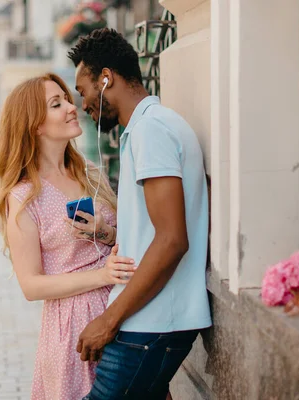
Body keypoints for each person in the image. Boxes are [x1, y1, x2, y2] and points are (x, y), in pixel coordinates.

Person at [68, 28, 212, 399]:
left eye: (83, 91)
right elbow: (157, 230)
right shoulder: (146, 129)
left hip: (149, 324)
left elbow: (172, 240)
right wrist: (112, 235)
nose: (83, 105)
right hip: (148, 320)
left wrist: (108, 321)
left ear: (106, 78)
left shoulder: (152, 130)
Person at [0, 72, 137, 400]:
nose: (72, 107)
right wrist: (101, 275)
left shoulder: (88, 172)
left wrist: (104, 231)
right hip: (72, 327)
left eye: (67, 99)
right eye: (56, 104)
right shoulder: (24, 196)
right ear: (36, 125)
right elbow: (31, 285)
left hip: (121, 308)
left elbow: (121, 237)